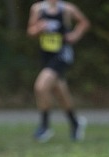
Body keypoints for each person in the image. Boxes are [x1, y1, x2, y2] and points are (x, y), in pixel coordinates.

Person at [27, 0, 90, 142]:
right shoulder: (37, 9)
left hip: (62, 54)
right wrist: (38, 28)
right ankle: (75, 122)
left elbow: (84, 22)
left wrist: (75, 35)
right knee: (59, 91)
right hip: (46, 55)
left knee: (41, 86)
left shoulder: (67, 9)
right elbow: (30, 31)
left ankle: (44, 126)